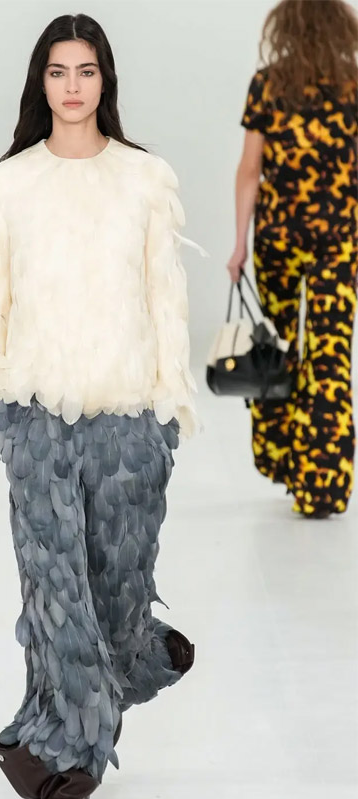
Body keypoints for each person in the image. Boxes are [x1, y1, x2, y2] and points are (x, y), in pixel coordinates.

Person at [0, 13, 206, 799]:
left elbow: (165, 300)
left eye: (86, 70)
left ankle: (138, 659)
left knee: (115, 595)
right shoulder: (8, 185)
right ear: (40, 82)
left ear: (104, 80)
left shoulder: (145, 179)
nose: (72, 86)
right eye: (58, 71)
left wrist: (168, 408)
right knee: (57, 593)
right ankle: (60, 759)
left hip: (130, 420)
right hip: (36, 415)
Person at [227, 0, 358, 519]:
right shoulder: (352, 88)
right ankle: (320, 483)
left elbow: (249, 170)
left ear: (284, 27)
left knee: (277, 349)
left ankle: (281, 458)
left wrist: (239, 243)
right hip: (339, 239)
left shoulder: (268, 84)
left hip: (277, 236)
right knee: (330, 357)